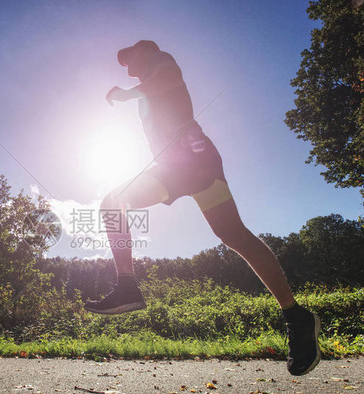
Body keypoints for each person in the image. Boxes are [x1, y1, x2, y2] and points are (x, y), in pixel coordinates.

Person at [84, 40, 321, 376]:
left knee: (113, 203)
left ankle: (127, 285)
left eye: (129, 59)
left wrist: (127, 93)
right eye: (123, 66)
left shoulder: (160, 61)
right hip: (193, 159)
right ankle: (297, 317)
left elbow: (166, 80)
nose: (128, 67)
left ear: (145, 51)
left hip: (186, 159)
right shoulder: (150, 78)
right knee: (233, 234)